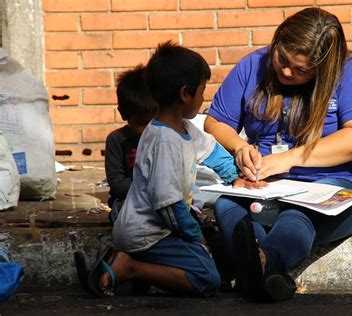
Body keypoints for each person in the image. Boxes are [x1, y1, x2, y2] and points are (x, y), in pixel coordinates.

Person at [204, 7, 352, 302]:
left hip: (334, 188)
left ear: (324, 68)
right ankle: (268, 275)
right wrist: (240, 148)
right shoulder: (253, 65)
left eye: (301, 70)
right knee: (226, 206)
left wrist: (288, 159)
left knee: (298, 217)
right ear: (277, 42)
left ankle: (262, 265)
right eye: (282, 60)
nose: (286, 72)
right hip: (264, 187)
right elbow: (216, 122)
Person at [87, 42, 263, 298]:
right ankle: (129, 266)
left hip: (162, 226)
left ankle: (129, 266)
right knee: (207, 279)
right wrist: (195, 239)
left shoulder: (183, 128)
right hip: (147, 232)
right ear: (185, 94)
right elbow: (168, 205)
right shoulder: (164, 142)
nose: (204, 98)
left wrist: (236, 177)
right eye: (202, 92)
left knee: (215, 253)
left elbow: (211, 152)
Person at [105, 65, 158, 224]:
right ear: (122, 113)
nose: (145, 130)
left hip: (161, 200)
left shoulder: (163, 138)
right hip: (127, 201)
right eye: (140, 123)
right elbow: (116, 181)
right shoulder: (117, 140)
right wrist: (148, 191)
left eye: (151, 122)